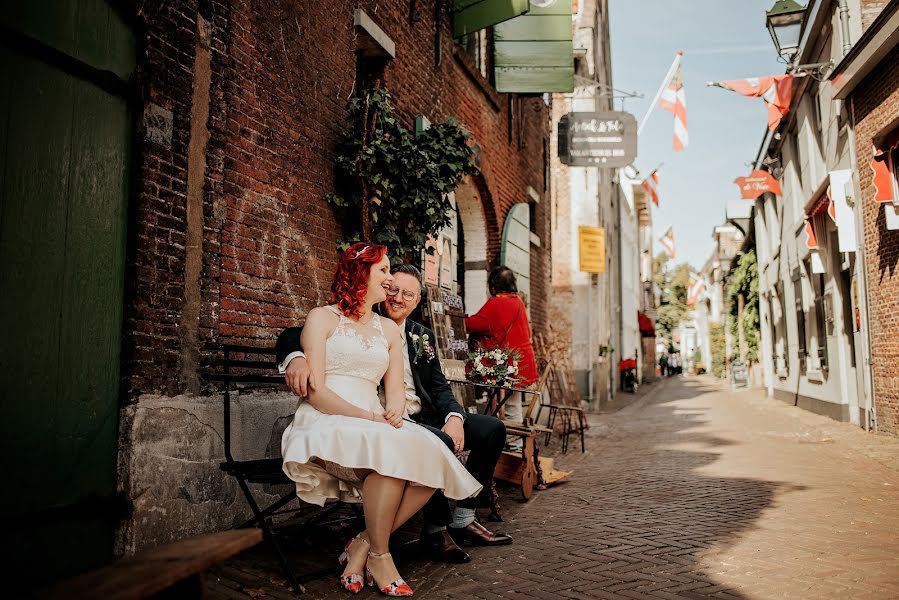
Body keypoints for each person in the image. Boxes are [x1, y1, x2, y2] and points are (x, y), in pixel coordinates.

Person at [279, 243, 481, 597]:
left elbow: (396, 391)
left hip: (373, 419)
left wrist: (392, 411)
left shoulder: (389, 330)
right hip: (329, 417)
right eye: (385, 271)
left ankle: (362, 546)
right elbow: (315, 393)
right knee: (391, 460)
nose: (390, 280)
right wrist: (369, 415)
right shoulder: (322, 318)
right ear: (361, 274)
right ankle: (381, 555)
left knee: (433, 452)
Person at [464, 266, 538, 447]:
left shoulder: (498, 302)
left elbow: (475, 324)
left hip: (506, 364)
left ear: (494, 286)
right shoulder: (518, 301)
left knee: (507, 405)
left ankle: (512, 444)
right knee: (512, 404)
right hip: (521, 363)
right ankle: (514, 444)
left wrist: (460, 318)